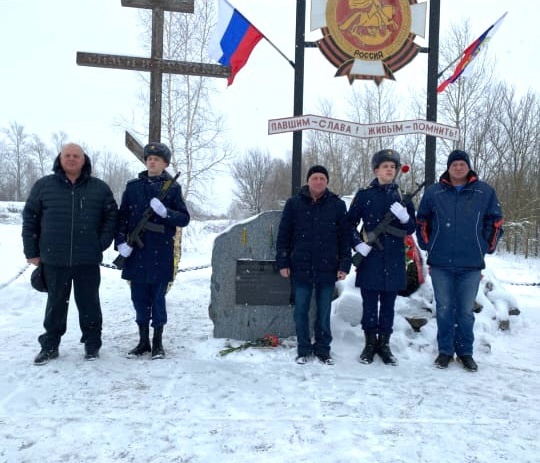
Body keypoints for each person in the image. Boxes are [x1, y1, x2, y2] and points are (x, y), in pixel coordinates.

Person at [22, 143, 118, 365]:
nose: (72, 159)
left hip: (87, 259)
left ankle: (92, 345)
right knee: (55, 304)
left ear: (84, 160)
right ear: (60, 158)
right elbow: (30, 219)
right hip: (54, 258)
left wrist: (100, 243)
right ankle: (50, 345)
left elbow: (111, 218)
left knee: (89, 304)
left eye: (76, 156)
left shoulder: (99, 188)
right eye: (68, 155)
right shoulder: (44, 186)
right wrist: (31, 251)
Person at [416, 149, 504, 372]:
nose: (458, 167)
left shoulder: (483, 191)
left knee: (465, 311)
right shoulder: (435, 192)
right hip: (441, 263)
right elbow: (422, 221)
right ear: (448, 167)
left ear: (468, 166)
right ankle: (445, 351)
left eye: (461, 164)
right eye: (454, 164)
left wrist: (485, 246)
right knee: (444, 309)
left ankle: (465, 352)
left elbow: (495, 221)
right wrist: (429, 244)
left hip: (471, 264)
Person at [115, 142, 190, 360]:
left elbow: (184, 218)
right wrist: (121, 243)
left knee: (158, 300)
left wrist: (166, 212)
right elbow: (122, 219)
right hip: (136, 253)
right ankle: (142, 342)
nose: (152, 161)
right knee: (138, 300)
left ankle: (157, 343)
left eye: (157, 159)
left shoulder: (172, 188)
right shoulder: (132, 187)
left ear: (165, 163)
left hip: (160, 252)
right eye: (149, 158)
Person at [346, 149, 416, 366]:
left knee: (388, 306)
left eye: (393, 167)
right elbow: (348, 225)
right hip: (371, 259)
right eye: (385, 166)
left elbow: (412, 228)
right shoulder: (364, 195)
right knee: (369, 305)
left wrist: (405, 218)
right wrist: (358, 244)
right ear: (376, 170)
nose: (390, 170)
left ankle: (384, 345)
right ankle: (369, 344)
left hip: (394, 259)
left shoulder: (402, 197)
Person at [276, 165, 351, 365]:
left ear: (327, 182)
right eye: (315, 178)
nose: (318, 181)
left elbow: (345, 237)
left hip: (328, 267)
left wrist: (344, 264)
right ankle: (303, 349)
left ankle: (323, 349)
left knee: (324, 310)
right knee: (300, 309)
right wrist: (283, 261)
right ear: (308, 181)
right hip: (300, 267)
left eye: (322, 178)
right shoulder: (294, 204)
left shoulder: (337, 205)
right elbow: (284, 234)